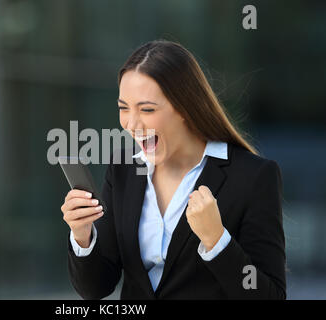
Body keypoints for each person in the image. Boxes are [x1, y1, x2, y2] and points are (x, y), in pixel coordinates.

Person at [60, 39, 286, 299]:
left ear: (185, 108)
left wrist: (216, 239)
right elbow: (96, 288)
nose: (131, 124)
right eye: (123, 108)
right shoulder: (123, 169)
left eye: (147, 109)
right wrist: (82, 235)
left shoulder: (253, 176)